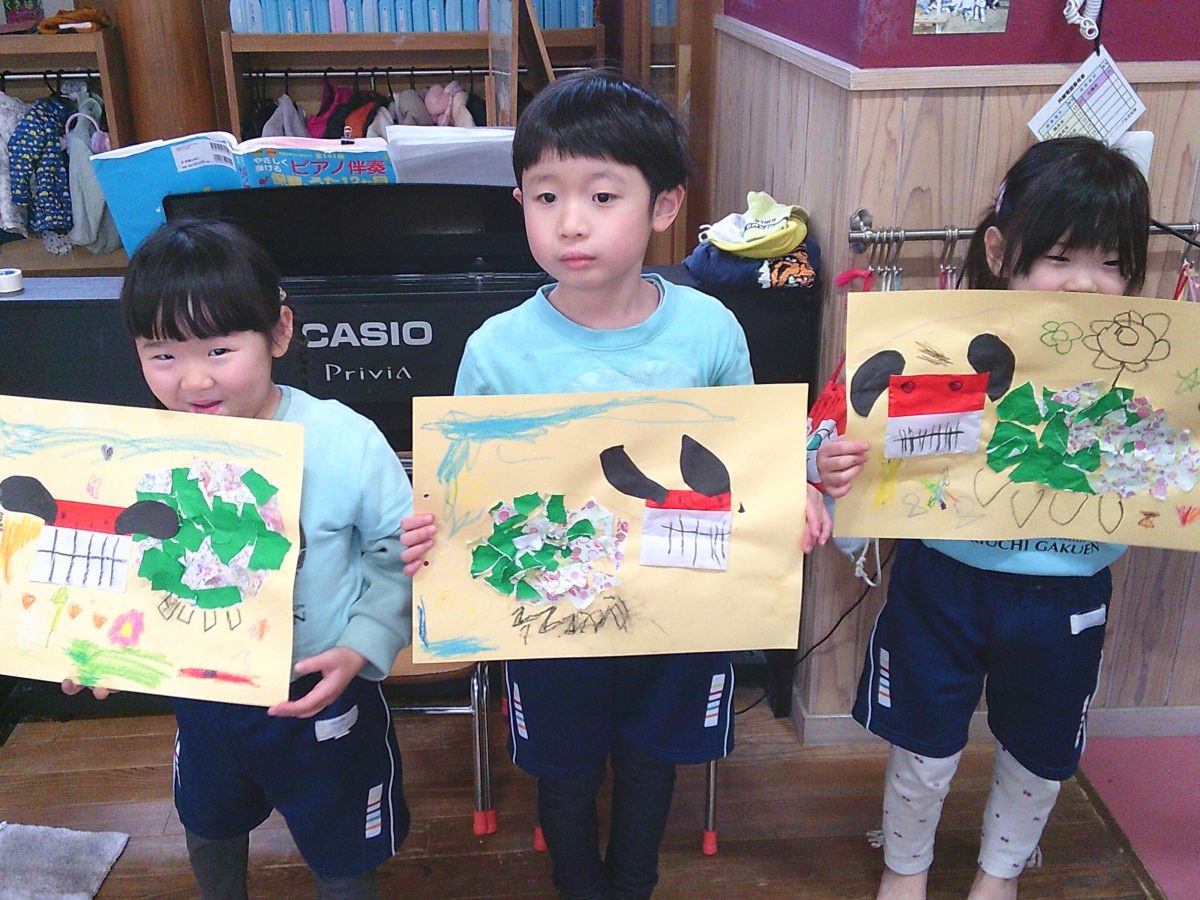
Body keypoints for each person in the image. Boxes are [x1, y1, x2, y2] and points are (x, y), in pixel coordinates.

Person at [401, 69, 831, 899]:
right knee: (563, 774)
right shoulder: (496, 349)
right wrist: (431, 528)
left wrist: (795, 489)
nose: (570, 222)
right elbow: (461, 493)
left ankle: (632, 883)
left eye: (602, 197)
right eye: (545, 197)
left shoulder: (709, 328)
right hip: (550, 622)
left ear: (664, 206)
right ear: (520, 203)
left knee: (649, 763)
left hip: (676, 609)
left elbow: (749, 452)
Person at [819, 135, 1151, 900]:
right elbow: (857, 449)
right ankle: (906, 867)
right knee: (922, 744)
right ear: (1000, 251)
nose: (1087, 283)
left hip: (1067, 595)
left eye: (1112, 263)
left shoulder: (1143, 368)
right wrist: (831, 467)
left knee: (1040, 750)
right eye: (1061, 256)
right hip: (945, 582)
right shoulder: (941, 349)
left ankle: (998, 874)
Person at [64, 219, 413, 899]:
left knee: (344, 856)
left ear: (279, 332)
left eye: (220, 349)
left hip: (320, 688)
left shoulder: (344, 440)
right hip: (204, 693)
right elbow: (120, 561)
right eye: (162, 354)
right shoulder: (136, 454)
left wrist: (362, 646)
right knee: (209, 827)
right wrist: (88, 641)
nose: (193, 378)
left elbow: (394, 550)